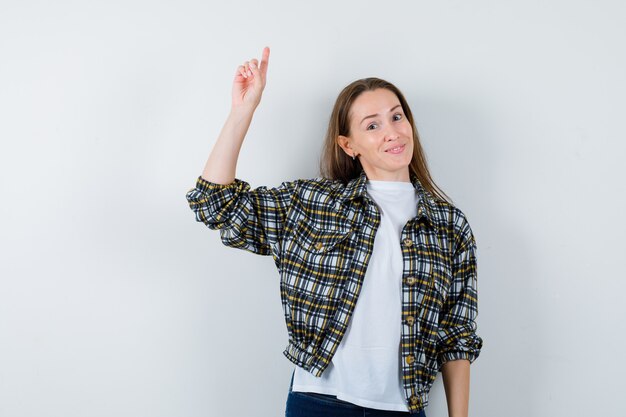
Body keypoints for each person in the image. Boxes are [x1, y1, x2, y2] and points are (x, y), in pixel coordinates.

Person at [185, 47, 483, 417]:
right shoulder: (313, 204)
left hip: (402, 408)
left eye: (397, 117)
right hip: (318, 403)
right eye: (372, 125)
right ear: (348, 144)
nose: (392, 132)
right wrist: (242, 111)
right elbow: (215, 203)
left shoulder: (450, 226)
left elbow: (456, 336)